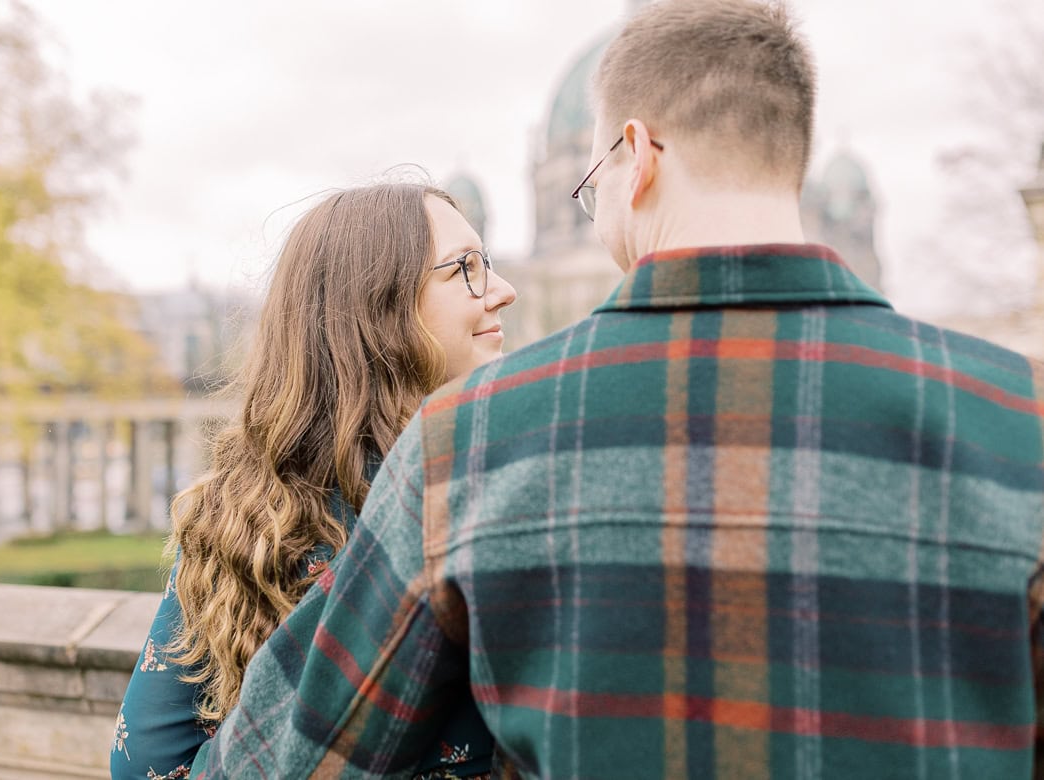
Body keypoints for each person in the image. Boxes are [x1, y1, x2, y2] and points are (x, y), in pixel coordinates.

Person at [193, 1, 1044, 777]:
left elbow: (278, 764)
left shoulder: (470, 441)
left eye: (591, 181)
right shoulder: (1021, 417)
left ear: (634, 156)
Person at [110, 182, 517, 780]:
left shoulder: (238, 508)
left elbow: (145, 762)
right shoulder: (479, 493)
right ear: (379, 307)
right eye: (466, 270)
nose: (503, 291)